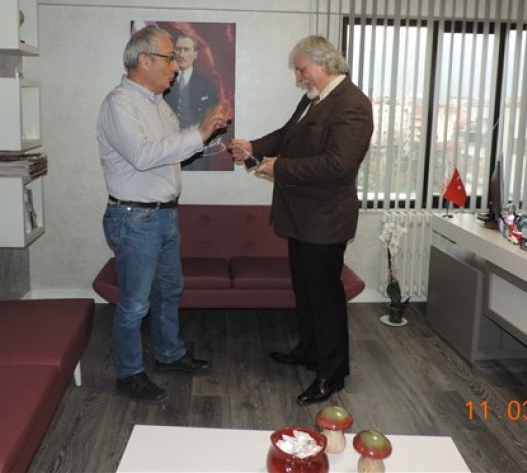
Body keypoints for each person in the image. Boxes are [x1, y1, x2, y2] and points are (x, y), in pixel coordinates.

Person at [229, 35, 373, 405]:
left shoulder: (353, 104)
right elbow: (286, 136)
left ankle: (332, 374)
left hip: (325, 221)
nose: (298, 77)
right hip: (301, 218)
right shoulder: (315, 99)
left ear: (322, 63)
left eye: (300, 69)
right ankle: (309, 351)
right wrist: (253, 147)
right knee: (306, 293)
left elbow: (338, 164)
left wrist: (279, 168)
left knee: (325, 299)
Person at [97, 26, 231, 404]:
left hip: (163, 215)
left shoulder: (157, 103)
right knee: (135, 303)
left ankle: (169, 354)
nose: (176, 66)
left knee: (169, 290)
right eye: (170, 58)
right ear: (144, 60)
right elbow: (143, 156)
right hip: (135, 218)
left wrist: (207, 130)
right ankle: (129, 373)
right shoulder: (120, 104)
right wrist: (199, 132)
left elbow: (173, 150)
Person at [163, 33, 220, 170]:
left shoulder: (207, 86)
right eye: (178, 49)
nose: (181, 54)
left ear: (195, 54)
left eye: (186, 49)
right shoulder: (162, 84)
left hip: (196, 155)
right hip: (167, 151)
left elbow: (213, 123)